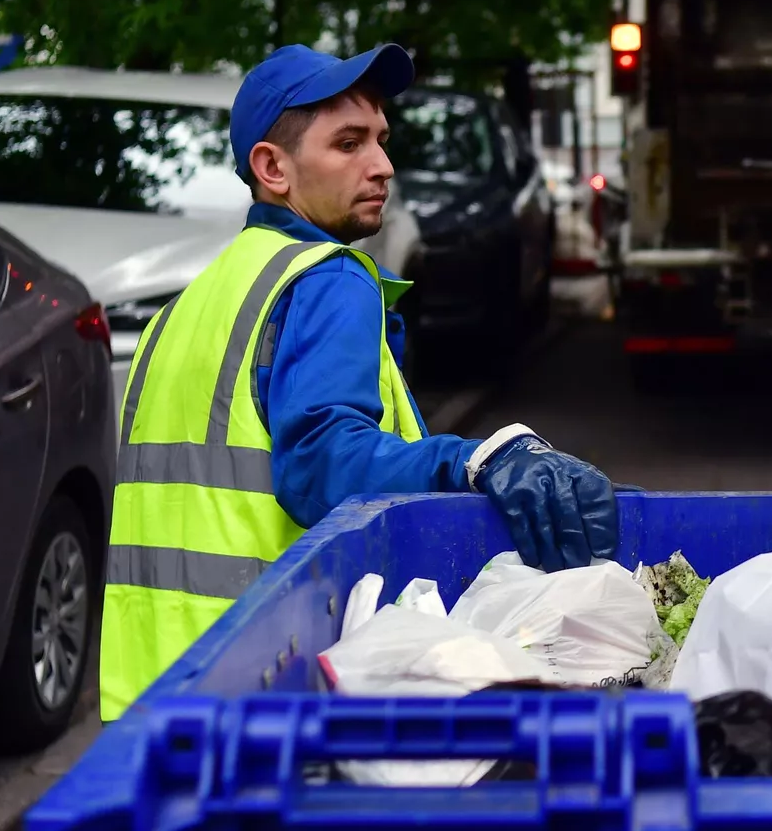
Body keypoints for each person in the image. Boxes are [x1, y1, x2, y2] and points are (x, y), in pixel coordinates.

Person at [98, 43, 619, 721]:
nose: (382, 165)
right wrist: (475, 460)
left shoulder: (188, 308)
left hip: (150, 697)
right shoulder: (327, 277)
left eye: (380, 140)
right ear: (272, 168)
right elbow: (320, 463)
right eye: (348, 144)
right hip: (265, 686)